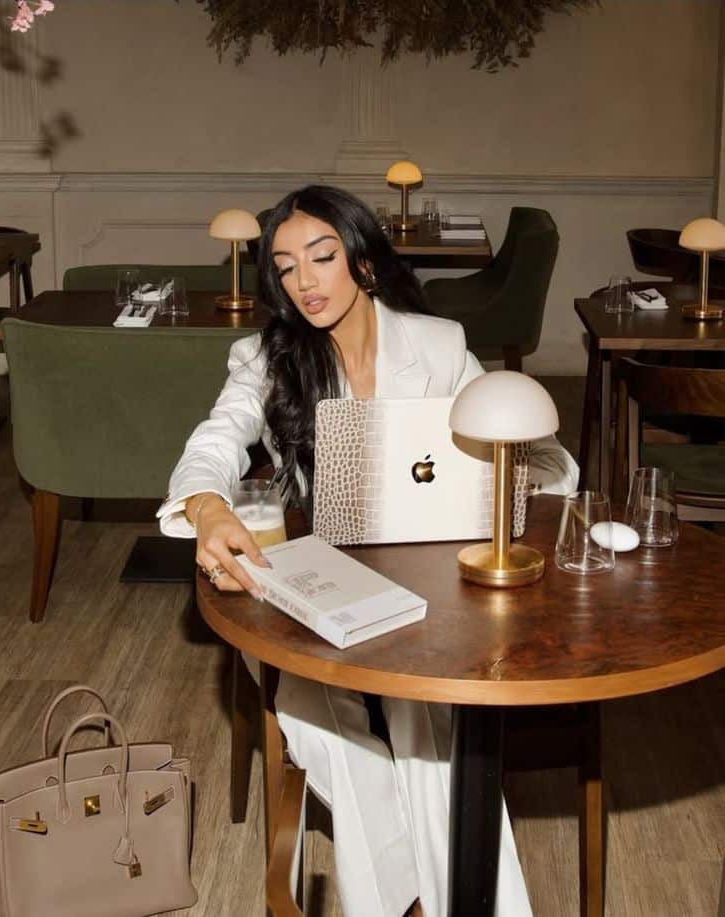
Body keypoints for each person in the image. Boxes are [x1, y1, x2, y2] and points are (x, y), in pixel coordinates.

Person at [158, 185, 579, 917]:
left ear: (365, 263)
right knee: (329, 730)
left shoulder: (439, 345)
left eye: (321, 257)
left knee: (427, 724)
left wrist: (507, 473)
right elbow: (215, 438)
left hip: (428, 590)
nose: (305, 282)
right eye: (285, 267)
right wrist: (205, 503)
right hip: (310, 588)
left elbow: (543, 461)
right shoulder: (266, 354)